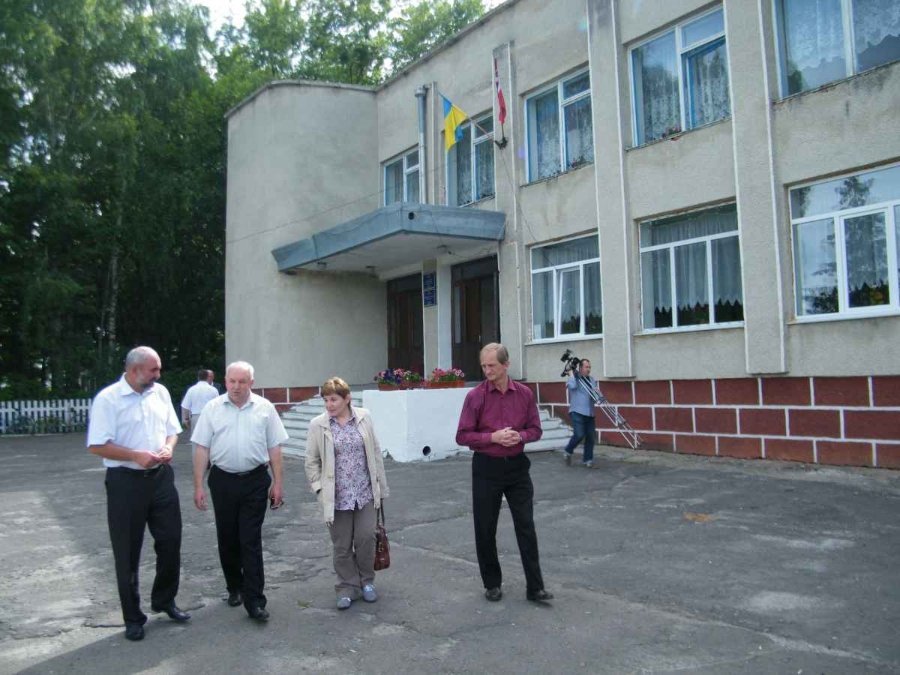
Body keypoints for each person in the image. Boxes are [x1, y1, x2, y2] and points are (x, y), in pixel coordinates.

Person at [87, 346, 190, 642]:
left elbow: (173, 430)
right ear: (134, 370)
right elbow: (96, 445)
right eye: (153, 370)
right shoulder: (108, 399)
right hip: (125, 483)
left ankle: (164, 599)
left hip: (160, 479)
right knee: (127, 552)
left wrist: (168, 447)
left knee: (170, 541)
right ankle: (133, 618)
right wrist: (135, 455)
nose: (159, 374)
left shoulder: (160, 393)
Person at [455, 343, 554, 604]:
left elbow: (536, 430)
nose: (487, 371)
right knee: (485, 528)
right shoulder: (475, 396)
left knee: (526, 526)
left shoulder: (524, 394)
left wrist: (520, 436)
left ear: (506, 365)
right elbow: (462, 436)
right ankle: (492, 584)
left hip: (517, 468)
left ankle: (535, 587)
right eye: (484, 366)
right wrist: (493, 437)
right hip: (486, 468)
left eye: (492, 366)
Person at [191, 361, 288, 622]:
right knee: (228, 537)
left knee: (250, 539)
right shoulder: (212, 409)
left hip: (255, 481)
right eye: (232, 381)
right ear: (225, 381)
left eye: (242, 382)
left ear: (251, 383)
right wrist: (198, 485)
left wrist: (278, 483)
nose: (236, 386)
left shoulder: (265, 408)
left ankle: (254, 600)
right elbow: (202, 448)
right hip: (222, 480)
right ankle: (234, 586)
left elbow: (275, 448)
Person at [305, 377, 389, 611]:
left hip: (364, 493)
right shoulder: (318, 425)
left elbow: (375, 452)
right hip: (337, 497)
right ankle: (346, 587)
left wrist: (381, 489)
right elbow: (311, 461)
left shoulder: (364, 417)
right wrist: (319, 489)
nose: (329, 405)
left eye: (333, 399)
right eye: (325, 400)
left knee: (366, 539)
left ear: (347, 398)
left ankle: (367, 582)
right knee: (342, 546)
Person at [562, 358, 597, 468]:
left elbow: (595, 396)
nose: (589, 369)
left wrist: (598, 395)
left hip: (590, 412)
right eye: (586, 367)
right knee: (579, 434)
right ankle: (568, 451)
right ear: (580, 368)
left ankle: (588, 460)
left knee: (591, 436)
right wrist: (571, 373)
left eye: (589, 367)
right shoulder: (574, 379)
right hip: (577, 411)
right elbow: (572, 387)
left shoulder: (592, 380)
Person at [180, 369, 218, 439]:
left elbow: (185, 406)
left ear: (198, 377)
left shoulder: (192, 389)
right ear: (207, 377)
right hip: (210, 416)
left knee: (196, 439)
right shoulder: (213, 390)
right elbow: (218, 405)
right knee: (210, 439)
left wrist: (186, 419)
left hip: (196, 417)